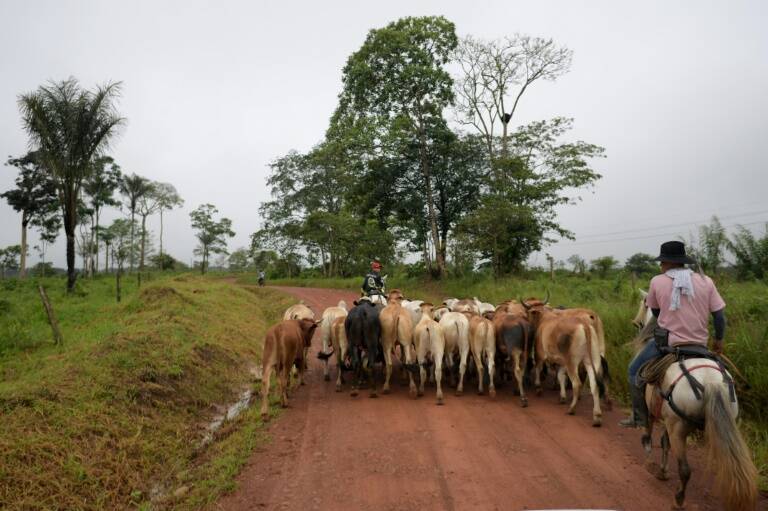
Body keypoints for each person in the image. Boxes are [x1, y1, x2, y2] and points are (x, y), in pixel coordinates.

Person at [620, 240, 726, 428]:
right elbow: (719, 317)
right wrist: (718, 341)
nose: (661, 266)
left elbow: (656, 312)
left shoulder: (657, 281)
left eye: (662, 262)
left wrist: (669, 322)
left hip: (670, 343)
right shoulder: (706, 281)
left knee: (633, 371)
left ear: (668, 262)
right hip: (700, 345)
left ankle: (638, 418)